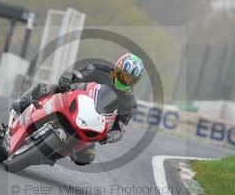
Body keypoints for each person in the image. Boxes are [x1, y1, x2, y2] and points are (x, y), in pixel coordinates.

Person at [12, 53, 144, 165]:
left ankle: (51, 155)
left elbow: (119, 129)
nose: (125, 81)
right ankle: (21, 104)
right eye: (123, 76)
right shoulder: (100, 69)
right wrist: (67, 78)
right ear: (116, 69)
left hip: (91, 123)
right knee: (44, 88)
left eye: (130, 79)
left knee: (87, 156)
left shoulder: (130, 103)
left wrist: (109, 137)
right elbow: (77, 74)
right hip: (74, 99)